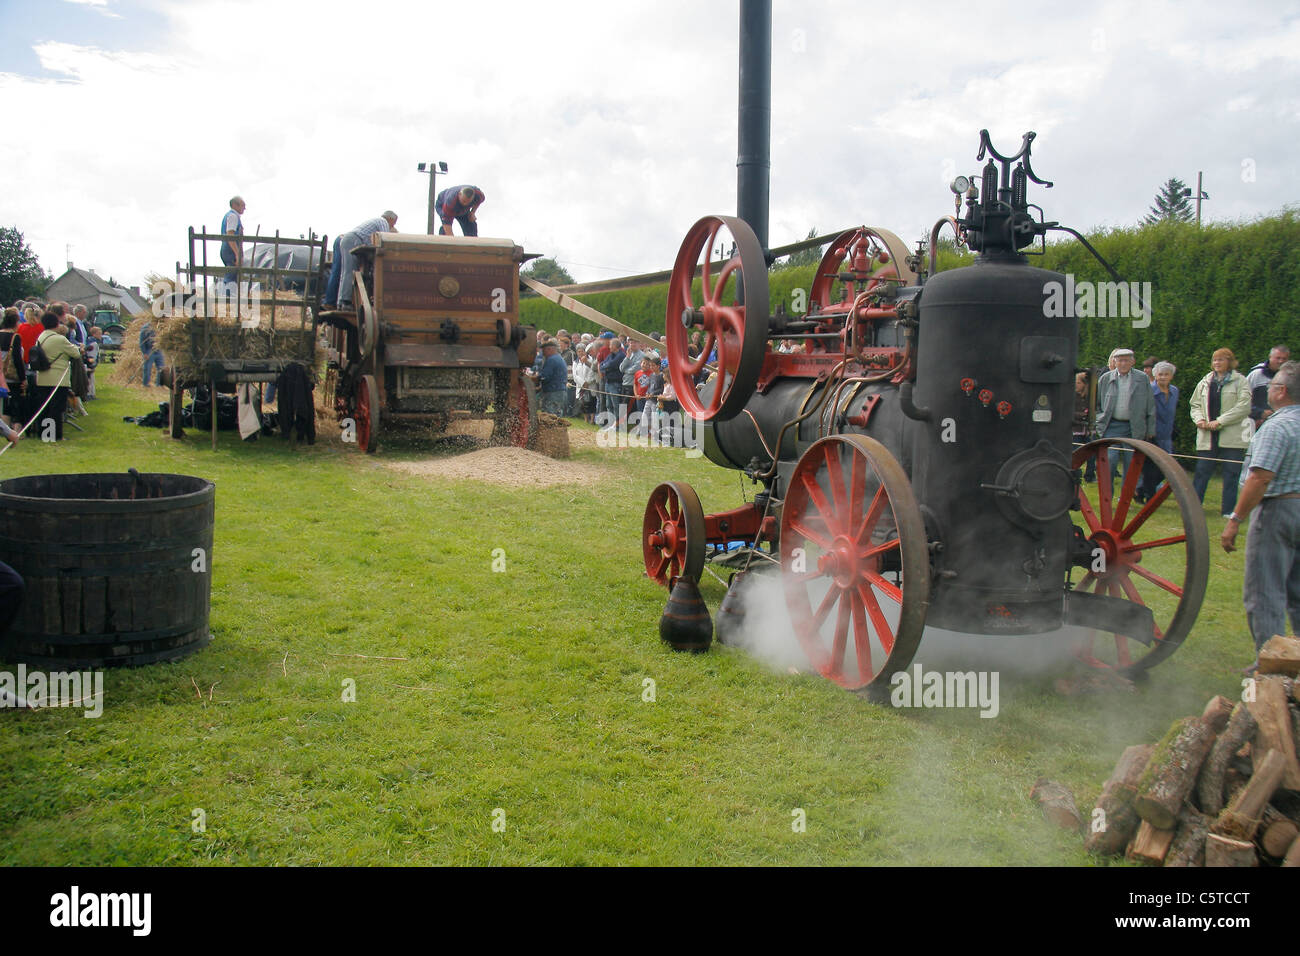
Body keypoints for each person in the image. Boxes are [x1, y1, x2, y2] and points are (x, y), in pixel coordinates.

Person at [1221, 360, 1300, 673]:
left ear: (1280, 391)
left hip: (1277, 511)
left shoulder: (1277, 427)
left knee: (1265, 591)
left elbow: (1260, 478)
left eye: (1271, 386)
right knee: (1297, 590)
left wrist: (1235, 519)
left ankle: (1271, 665)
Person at [1190, 347, 1252, 518]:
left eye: (1221, 360)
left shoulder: (1241, 381)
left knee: (1231, 473)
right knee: (1202, 471)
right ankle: (1194, 508)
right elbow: (1194, 404)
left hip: (1232, 437)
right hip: (1207, 435)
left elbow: (1244, 407)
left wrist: (1220, 421)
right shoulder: (1205, 381)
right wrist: (1199, 420)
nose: (1217, 363)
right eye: (1215, 360)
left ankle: (1228, 510)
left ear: (1230, 362)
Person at [1094, 348, 1156, 491]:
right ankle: (1107, 496)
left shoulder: (1142, 379)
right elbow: (1096, 405)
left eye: (1126, 360)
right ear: (1114, 362)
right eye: (1120, 360)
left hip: (1133, 426)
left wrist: (1150, 428)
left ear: (1132, 362)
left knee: (1131, 463)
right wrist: (1099, 420)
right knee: (1109, 460)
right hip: (1111, 425)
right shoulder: (1105, 378)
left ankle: (1126, 497)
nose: (1123, 363)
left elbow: (1150, 405)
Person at [323, 211, 398, 309]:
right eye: (394, 223)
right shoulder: (383, 222)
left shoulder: (376, 222)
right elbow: (384, 239)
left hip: (350, 240)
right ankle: (345, 302)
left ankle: (341, 302)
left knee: (346, 271)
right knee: (350, 271)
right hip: (353, 240)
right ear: (390, 219)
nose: (393, 226)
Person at [32, 311, 80, 441]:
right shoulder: (59, 339)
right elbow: (76, 353)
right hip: (58, 378)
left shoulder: (40, 337)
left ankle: (44, 433)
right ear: (56, 324)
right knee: (56, 409)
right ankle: (56, 435)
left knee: (44, 408)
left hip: (42, 377)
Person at [1138, 361, 1179, 502]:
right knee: (1151, 468)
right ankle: (1150, 496)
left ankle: (1141, 490)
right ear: (1155, 375)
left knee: (1166, 468)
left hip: (1166, 435)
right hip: (1152, 434)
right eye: (1160, 374)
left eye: (1166, 374)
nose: (1163, 377)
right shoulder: (1149, 390)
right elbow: (1142, 412)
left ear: (1171, 376)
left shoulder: (1174, 391)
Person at [1247, 345, 1290, 425]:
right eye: (1278, 358)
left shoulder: (1290, 376)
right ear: (1270, 357)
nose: (1281, 361)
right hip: (1257, 423)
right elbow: (1241, 400)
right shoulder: (1256, 375)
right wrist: (1259, 413)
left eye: (1284, 359)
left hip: (1283, 422)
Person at [532, 339, 567, 416]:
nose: (543, 354)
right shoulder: (558, 358)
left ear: (549, 349)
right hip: (559, 391)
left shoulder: (552, 359)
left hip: (553, 392)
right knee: (556, 416)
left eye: (543, 351)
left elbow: (545, 376)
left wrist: (533, 379)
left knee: (550, 416)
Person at [221, 195, 245, 287]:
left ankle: (229, 298)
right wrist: (237, 254)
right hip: (230, 251)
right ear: (235, 205)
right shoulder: (233, 216)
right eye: (242, 205)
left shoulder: (231, 216)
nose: (244, 208)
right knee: (231, 277)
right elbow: (230, 235)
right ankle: (227, 299)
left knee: (232, 276)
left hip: (228, 249)